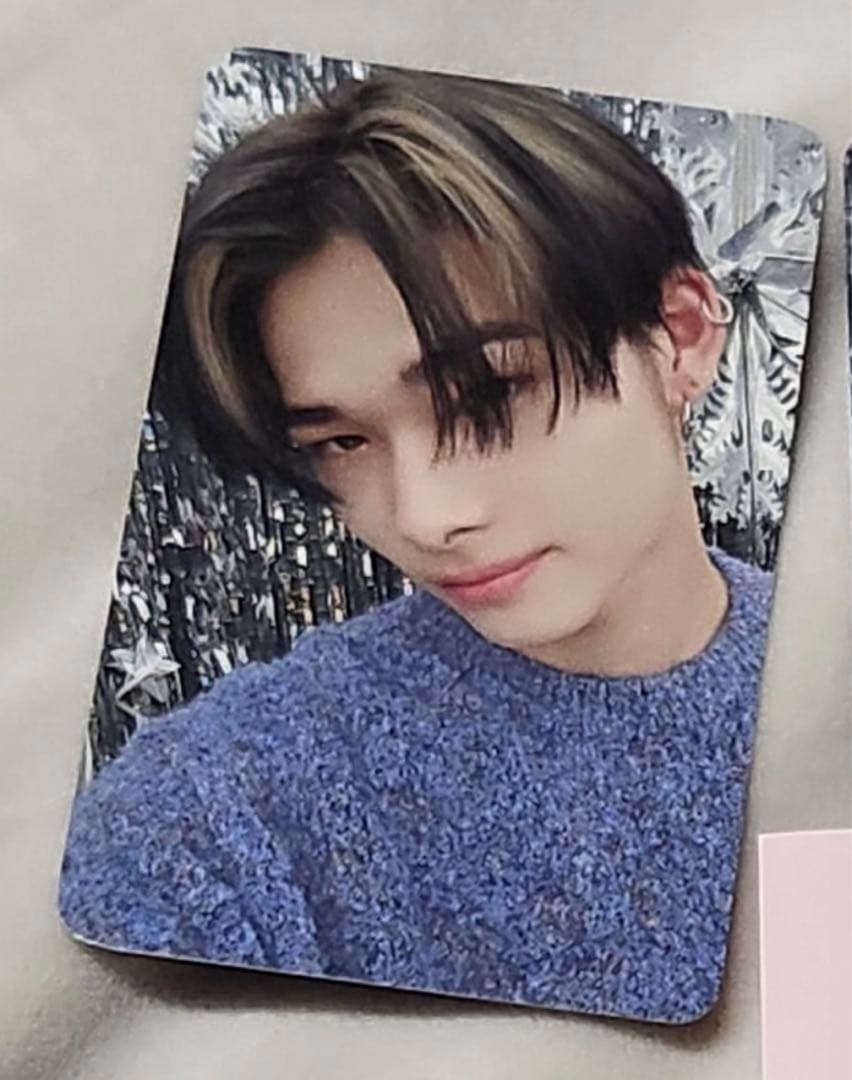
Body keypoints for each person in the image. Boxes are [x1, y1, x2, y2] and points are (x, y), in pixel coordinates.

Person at [58, 69, 774, 1024]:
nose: (425, 515)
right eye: (342, 442)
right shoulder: (210, 826)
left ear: (680, 337)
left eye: (488, 394)